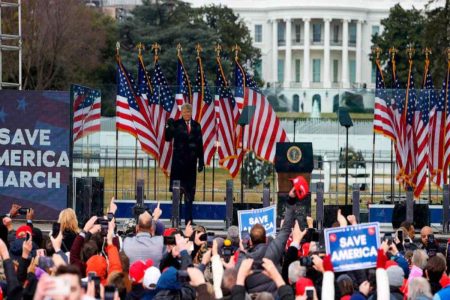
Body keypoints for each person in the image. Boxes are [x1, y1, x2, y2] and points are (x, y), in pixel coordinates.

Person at [165, 103, 204, 225]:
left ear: (191, 113)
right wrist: (168, 126)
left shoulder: (197, 126)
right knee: (177, 195)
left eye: (189, 112)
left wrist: (201, 161)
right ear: (181, 113)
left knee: (189, 195)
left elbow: (199, 144)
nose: (187, 114)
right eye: (185, 112)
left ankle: (188, 220)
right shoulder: (176, 125)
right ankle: (176, 219)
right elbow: (167, 138)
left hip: (191, 166)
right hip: (178, 166)